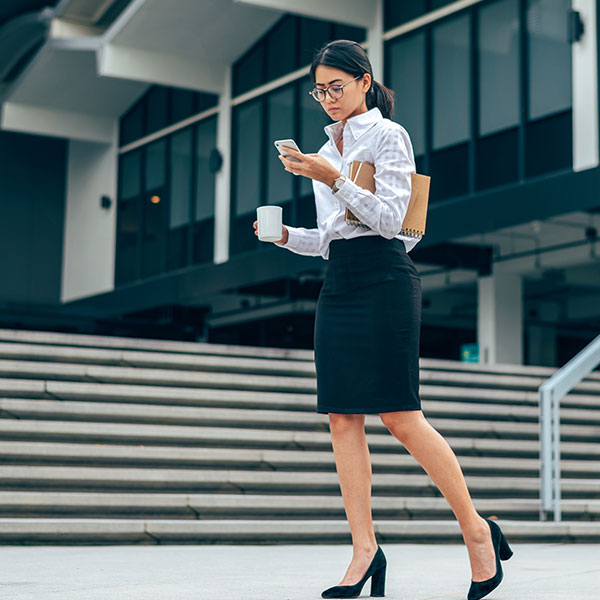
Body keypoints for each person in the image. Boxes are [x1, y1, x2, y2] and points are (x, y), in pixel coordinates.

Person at [252, 39, 513, 600]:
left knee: (400, 415)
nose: (327, 99)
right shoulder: (325, 147)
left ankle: (476, 531)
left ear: (364, 82)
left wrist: (331, 177)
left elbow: (392, 219)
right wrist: (283, 237)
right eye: (319, 90)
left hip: (387, 277)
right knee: (341, 419)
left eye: (336, 87)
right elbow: (329, 239)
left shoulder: (388, 136)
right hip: (339, 280)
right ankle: (364, 550)